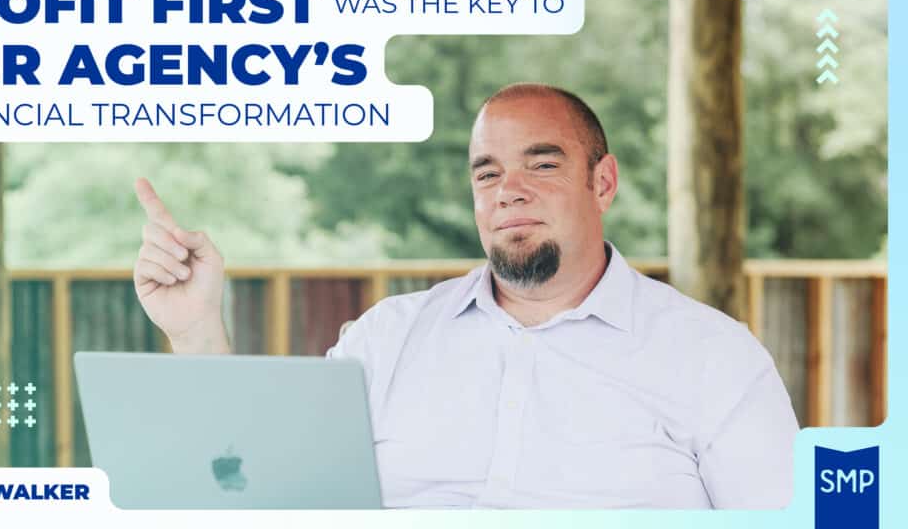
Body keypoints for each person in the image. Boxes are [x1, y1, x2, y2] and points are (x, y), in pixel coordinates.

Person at [131, 83, 799, 509]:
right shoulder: (385, 338)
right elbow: (257, 496)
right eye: (488, 172)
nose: (509, 189)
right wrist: (195, 332)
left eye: (541, 164)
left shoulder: (715, 358)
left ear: (603, 183)